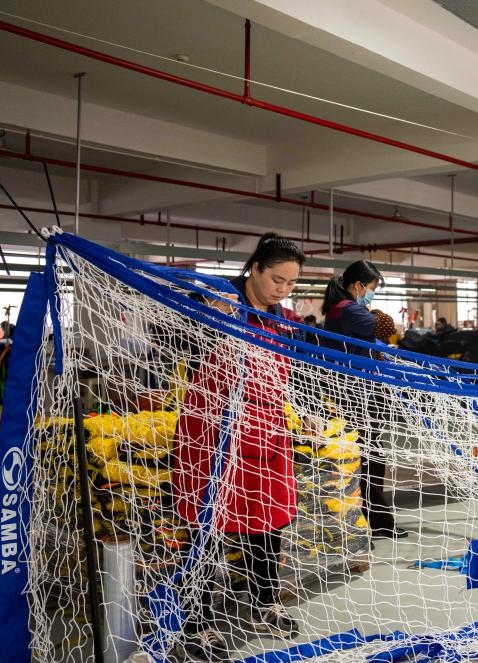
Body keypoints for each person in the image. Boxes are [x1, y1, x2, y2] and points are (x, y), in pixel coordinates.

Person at [172, 233, 305, 661]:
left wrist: (305, 409)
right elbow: (174, 336)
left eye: (290, 284)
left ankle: (265, 603)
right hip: (214, 437)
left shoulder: (282, 319)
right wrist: (208, 312)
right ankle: (198, 623)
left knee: (269, 524)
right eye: (277, 280)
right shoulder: (221, 304)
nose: (283, 290)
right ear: (255, 269)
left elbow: (290, 374)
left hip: (266, 435)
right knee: (206, 526)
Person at [321, 260, 408, 540]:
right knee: (370, 457)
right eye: (371, 289)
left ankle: (372, 522)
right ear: (358, 286)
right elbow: (386, 326)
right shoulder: (349, 311)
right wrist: (377, 313)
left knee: (368, 456)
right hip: (357, 394)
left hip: (355, 391)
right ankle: (376, 523)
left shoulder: (340, 310)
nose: (372, 295)